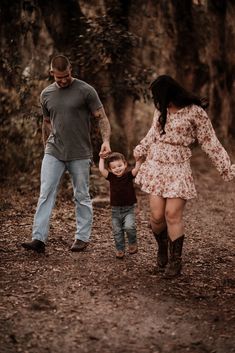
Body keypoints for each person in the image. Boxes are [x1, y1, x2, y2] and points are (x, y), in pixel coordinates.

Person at [133, 75, 235, 278]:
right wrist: (139, 150)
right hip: (156, 164)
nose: (155, 100)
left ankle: (175, 261)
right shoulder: (160, 110)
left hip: (178, 166)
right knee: (156, 216)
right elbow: (153, 134)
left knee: (172, 214)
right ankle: (162, 247)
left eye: (156, 96)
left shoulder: (195, 112)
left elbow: (210, 141)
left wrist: (226, 167)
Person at [22, 55, 111, 253]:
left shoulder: (86, 90)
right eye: (58, 77)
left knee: (81, 194)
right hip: (54, 150)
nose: (63, 80)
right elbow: (46, 122)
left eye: (66, 76)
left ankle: (82, 237)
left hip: (80, 152)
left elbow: (101, 117)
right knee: (46, 193)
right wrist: (46, 146)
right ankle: (38, 239)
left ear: (71, 70)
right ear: (51, 72)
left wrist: (106, 141)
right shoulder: (46, 94)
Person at [99, 152, 142, 259]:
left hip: (128, 209)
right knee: (117, 231)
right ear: (110, 169)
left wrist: (138, 161)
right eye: (113, 167)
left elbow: (136, 170)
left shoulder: (128, 176)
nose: (117, 169)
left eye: (119, 166)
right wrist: (101, 159)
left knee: (129, 227)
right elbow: (101, 170)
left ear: (125, 164)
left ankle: (132, 243)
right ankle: (120, 249)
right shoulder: (111, 177)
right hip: (115, 210)